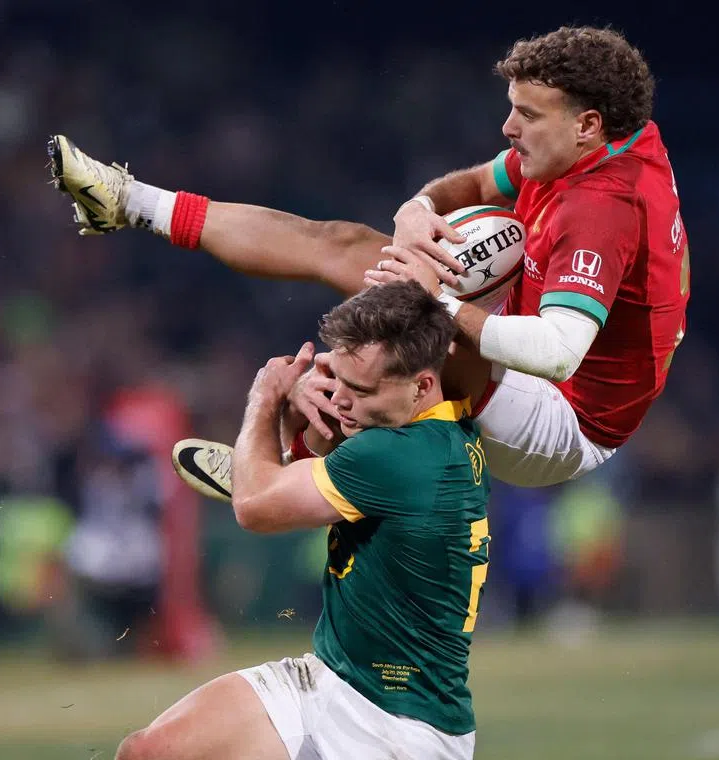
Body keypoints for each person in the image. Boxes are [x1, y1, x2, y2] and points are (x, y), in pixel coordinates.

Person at [48, 25, 689, 489]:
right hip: (528, 343)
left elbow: (557, 352)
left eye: (526, 114)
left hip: (572, 419)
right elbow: (467, 187)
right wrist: (418, 208)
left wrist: (435, 299)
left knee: (420, 331)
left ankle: (294, 464)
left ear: (587, 124)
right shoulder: (588, 144)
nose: (508, 128)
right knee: (348, 243)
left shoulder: (604, 206)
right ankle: (132, 202)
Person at [114, 281, 489, 760]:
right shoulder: (449, 420)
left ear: (421, 384)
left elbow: (253, 506)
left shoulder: (394, 454)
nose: (343, 400)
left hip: (399, 729)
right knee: (148, 752)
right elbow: (323, 467)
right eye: (340, 379)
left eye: (361, 389)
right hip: (333, 680)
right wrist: (300, 430)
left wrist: (268, 397)